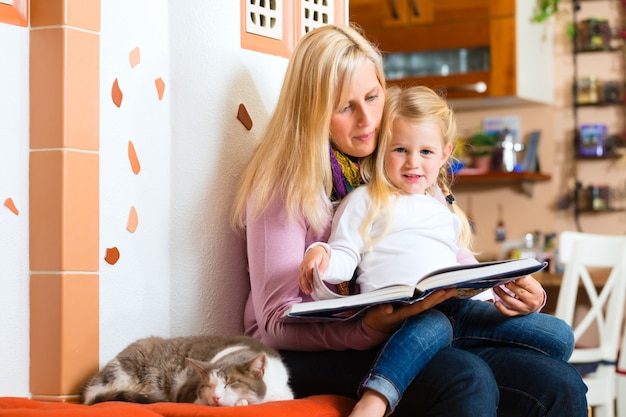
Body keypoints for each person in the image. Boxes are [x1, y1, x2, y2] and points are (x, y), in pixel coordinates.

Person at [231, 23, 588, 417]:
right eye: (346, 107)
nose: (367, 120)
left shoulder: (397, 165)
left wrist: (509, 290)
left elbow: (451, 263)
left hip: (415, 323)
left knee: (558, 382)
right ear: (313, 112)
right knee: (464, 376)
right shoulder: (283, 184)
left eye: (372, 96)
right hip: (306, 351)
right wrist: (370, 328)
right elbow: (275, 323)